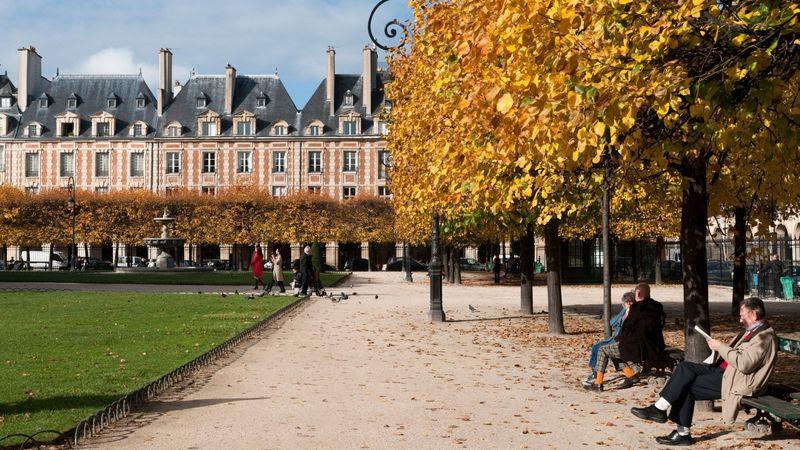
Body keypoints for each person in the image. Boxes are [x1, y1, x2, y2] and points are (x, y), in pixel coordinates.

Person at [630, 297, 778, 446]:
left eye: (742, 316)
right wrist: (718, 347)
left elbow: (745, 364)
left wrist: (720, 347)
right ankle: (660, 408)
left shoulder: (764, 337)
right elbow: (737, 354)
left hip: (737, 381)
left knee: (686, 386)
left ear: (753, 315)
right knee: (684, 367)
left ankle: (679, 430)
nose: (740, 320)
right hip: (725, 371)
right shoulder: (753, 330)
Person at [585, 283, 667, 391]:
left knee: (603, 349)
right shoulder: (657, 306)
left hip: (640, 348)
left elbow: (626, 328)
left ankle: (598, 383)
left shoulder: (636, 308)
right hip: (655, 346)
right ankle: (631, 376)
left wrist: (620, 339)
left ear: (637, 293)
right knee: (615, 349)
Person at [581, 291, 635, 387]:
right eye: (627, 302)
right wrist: (623, 310)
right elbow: (612, 323)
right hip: (615, 338)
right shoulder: (625, 312)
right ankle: (629, 374)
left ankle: (596, 376)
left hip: (620, 340)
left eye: (631, 301)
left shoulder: (633, 314)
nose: (629, 304)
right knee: (597, 347)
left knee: (600, 349)